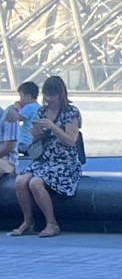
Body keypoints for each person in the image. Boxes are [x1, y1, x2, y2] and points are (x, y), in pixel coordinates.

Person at [9, 76, 84, 236]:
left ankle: (52, 223)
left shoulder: (71, 112)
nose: (49, 99)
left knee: (36, 183)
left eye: (52, 95)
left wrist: (52, 127)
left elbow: (70, 141)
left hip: (64, 162)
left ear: (61, 95)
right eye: (47, 95)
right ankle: (28, 221)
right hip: (44, 159)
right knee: (21, 181)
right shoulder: (42, 111)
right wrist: (35, 134)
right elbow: (37, 138)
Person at [1, 80, 40, 184]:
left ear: (27, 96)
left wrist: (16, 107)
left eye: (21, 96)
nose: (20, 99)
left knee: (15, 147)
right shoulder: (38, 107)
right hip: (32, 143)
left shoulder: (29, 107)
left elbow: (16, 118)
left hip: (25, 142)